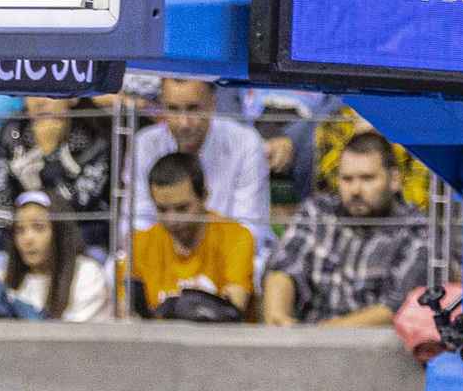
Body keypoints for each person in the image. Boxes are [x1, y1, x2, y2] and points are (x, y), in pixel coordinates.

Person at [262, 132, 429, 329]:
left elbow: (400, 307)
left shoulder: (417, 229)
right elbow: (283, 268)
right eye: (347, 179)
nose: (356, 190)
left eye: (367, 178)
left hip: (378, 349)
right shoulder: (317, 213)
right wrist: (278, 321)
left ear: (394, 180)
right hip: (306, 344)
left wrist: (322, 334)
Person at [128, 76, 273, 257]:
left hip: (226, 256)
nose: (183, 123)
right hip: (163, 256)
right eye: (173, 109)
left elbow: (251, 231)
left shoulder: (246, 142)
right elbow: (134, 225)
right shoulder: (144, 143)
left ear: (213, 103)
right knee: (115, 268)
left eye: (193, 109)